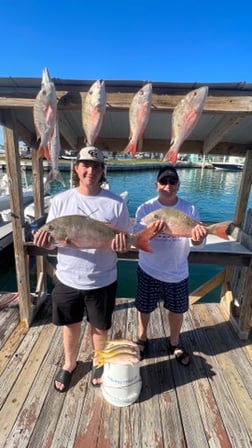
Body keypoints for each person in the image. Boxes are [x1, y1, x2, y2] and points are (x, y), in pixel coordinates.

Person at [33, 146, 131, 391]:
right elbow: (54, 238)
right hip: (68, 279)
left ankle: (99, 361)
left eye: (96, 166)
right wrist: (45, 242)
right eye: (85, 165)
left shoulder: (116, 203)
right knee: (71, 325)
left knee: (100, 326)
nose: (90, 170)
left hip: (103, 280)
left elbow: (124, 245)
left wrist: (122, 244)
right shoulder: (61, 201)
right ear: (76, 168)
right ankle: (69, 363)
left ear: (102, 171)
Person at [134, 165, 207, 365]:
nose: (168, 186)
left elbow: (198, 244)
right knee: (144, 307)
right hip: (149, 269)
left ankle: (174, 343)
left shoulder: (189, 209)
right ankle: (142, 338)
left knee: (177, 310)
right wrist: (151, 232)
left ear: (178, 185)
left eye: (172, 182)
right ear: (156, 184)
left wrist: (200, 236)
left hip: (178, 272)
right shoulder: (146, 209)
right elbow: (137, 240)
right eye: (164, 182)